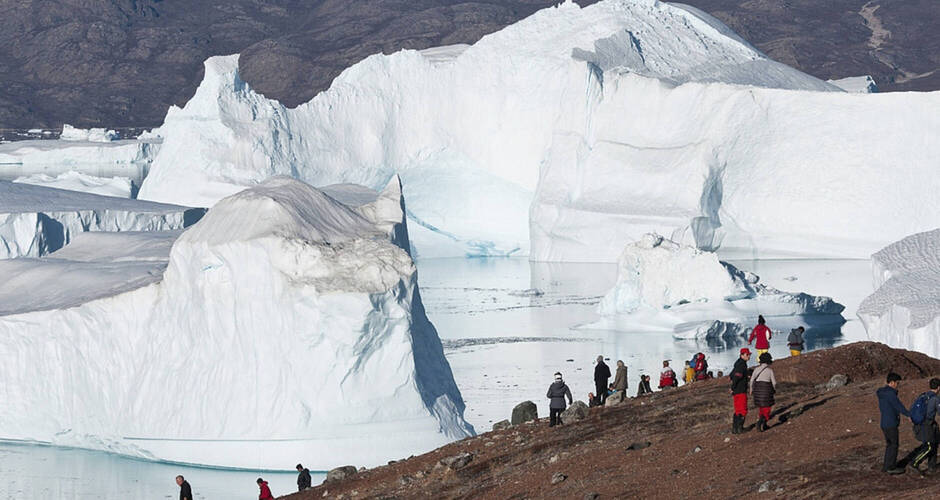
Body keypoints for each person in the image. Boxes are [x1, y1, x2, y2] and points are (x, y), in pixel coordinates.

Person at [903, 378, 940, 472]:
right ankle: (915, 462)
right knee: (929, 446)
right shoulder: (935, 399)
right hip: (926, 425)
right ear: (938, 387)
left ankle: (932, 465)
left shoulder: (924, 395)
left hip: (922, 424)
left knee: (934, 443)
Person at [878, 372, 910, 474]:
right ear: (891, 383)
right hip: (891, 423)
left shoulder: (882, 393)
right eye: (897, 383)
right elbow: (899, 406)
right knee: (894, 445)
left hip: (884, 423)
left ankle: (886, 466)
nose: (897, 385)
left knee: (889, 445)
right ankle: (891, 467)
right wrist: (909, 415)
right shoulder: (890, 394)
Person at [749, 352, 777, 432]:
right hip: (767, 391)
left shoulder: (756, 369)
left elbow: (751, 380)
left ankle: (764, 424)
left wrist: (751, 389)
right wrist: (774, 389)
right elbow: (774, 383)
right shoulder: (769, 371)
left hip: (757, 392)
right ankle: (760, 422)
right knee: (767, 409)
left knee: (761, 408)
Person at [729, 348, 751, 434]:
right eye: (747, 355)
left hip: (736, 391)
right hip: (740, 390)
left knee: (738, 409)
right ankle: (740, 428)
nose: (749, 356)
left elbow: (732, 375)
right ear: (742, 355)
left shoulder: (738, 363)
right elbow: (736, 376)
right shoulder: (742, 365)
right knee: (743, 409)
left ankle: (735, 429)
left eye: (749, 354)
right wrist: (732, 387)